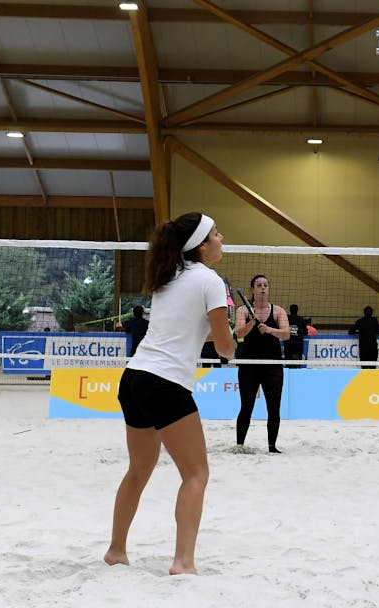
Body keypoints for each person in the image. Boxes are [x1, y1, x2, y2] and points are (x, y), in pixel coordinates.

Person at [104, 212, 253, 575]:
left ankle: (116, 551)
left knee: (139, 470)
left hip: (135, 377)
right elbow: (223, 348)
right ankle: (183, 562)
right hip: (165, 382)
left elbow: (186, 333)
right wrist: (235, 336)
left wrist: (223, 332)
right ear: (202, 245)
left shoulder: (167, 277)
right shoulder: (210, 281)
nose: (222, 237)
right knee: (196, 473)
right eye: (216, 233)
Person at [234, 275, 290, 453]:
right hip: (249, 365)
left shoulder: (278, 311)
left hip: (272, 366)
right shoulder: (242, 310)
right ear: (252, 289)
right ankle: (240, 445)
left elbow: (286, 334)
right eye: (259, 285)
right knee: (246, 406)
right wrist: (253, 321)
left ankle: (272, 446)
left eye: (266, 285)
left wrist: (269, 329)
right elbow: (238, 333)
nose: (263, 288)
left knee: (274, 407)